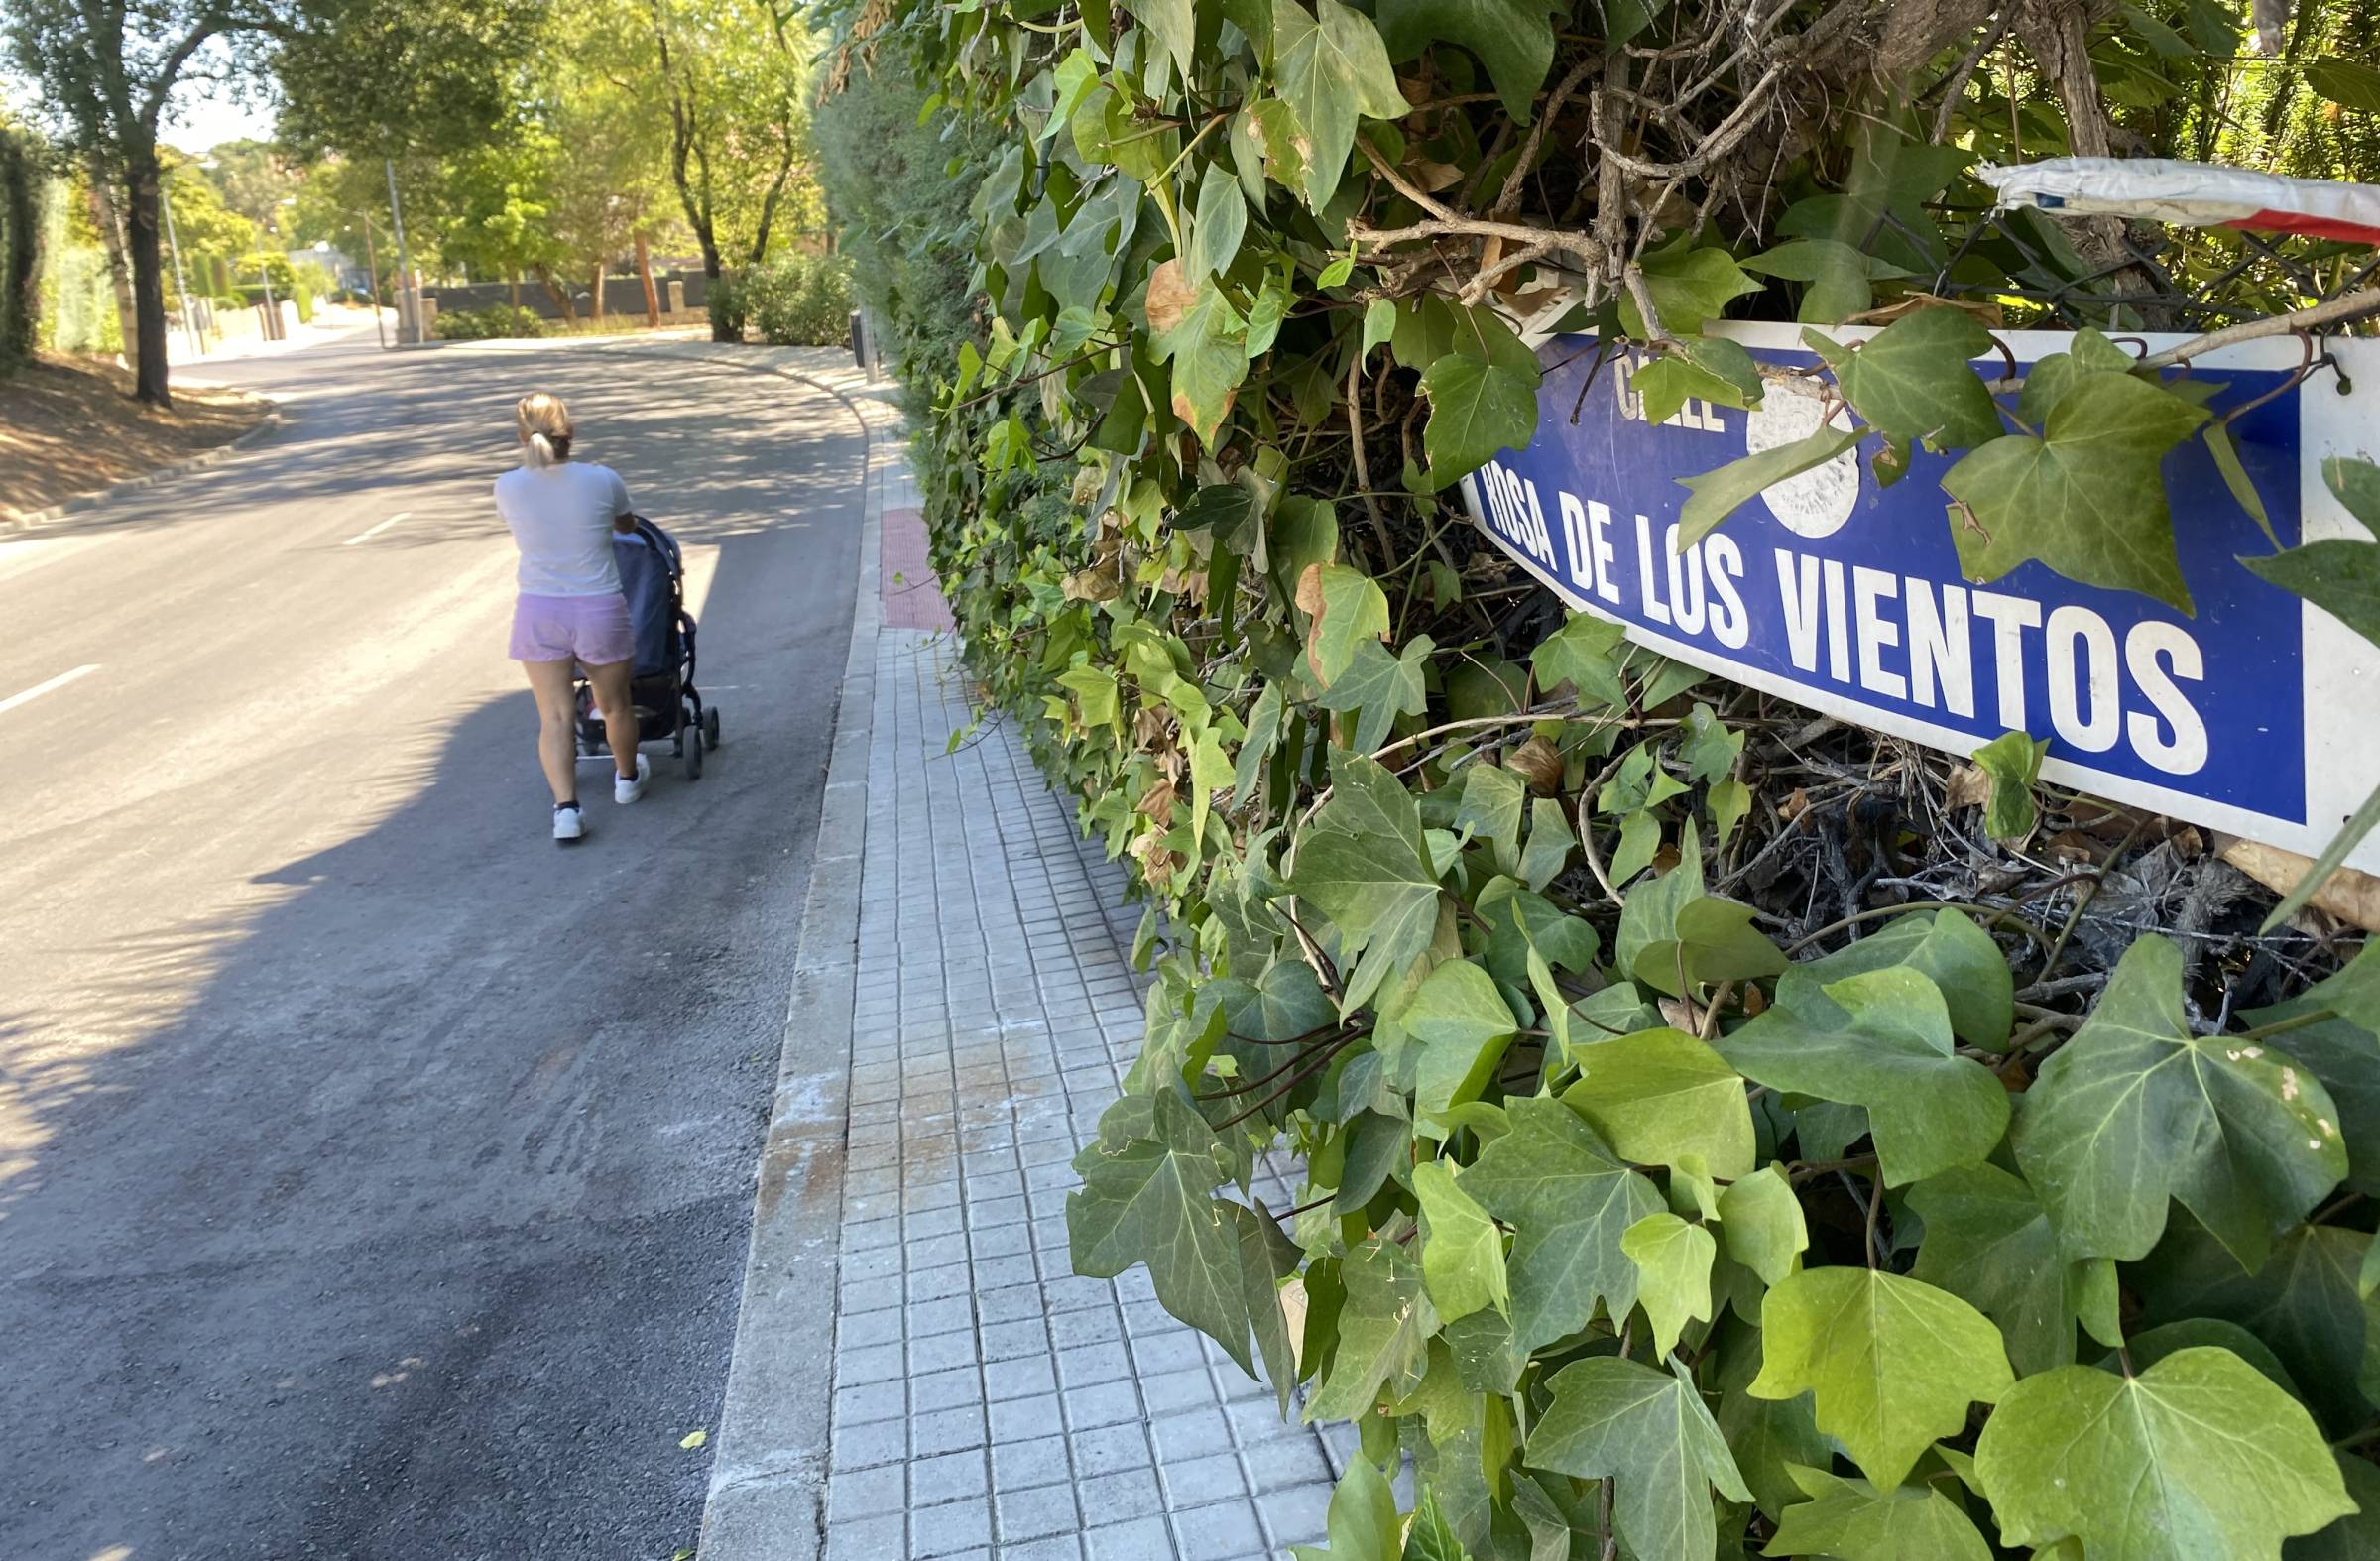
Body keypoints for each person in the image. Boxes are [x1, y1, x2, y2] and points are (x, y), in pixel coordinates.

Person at [496, 391, 649, 843]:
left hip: (539, 609)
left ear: (521, 436)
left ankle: (566, 810)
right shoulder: (602, 480)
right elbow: (627, 526)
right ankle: (626, 780)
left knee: (555, 717)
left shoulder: (507, 486)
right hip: (597, 605)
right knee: (615, 704)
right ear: (572, 432)